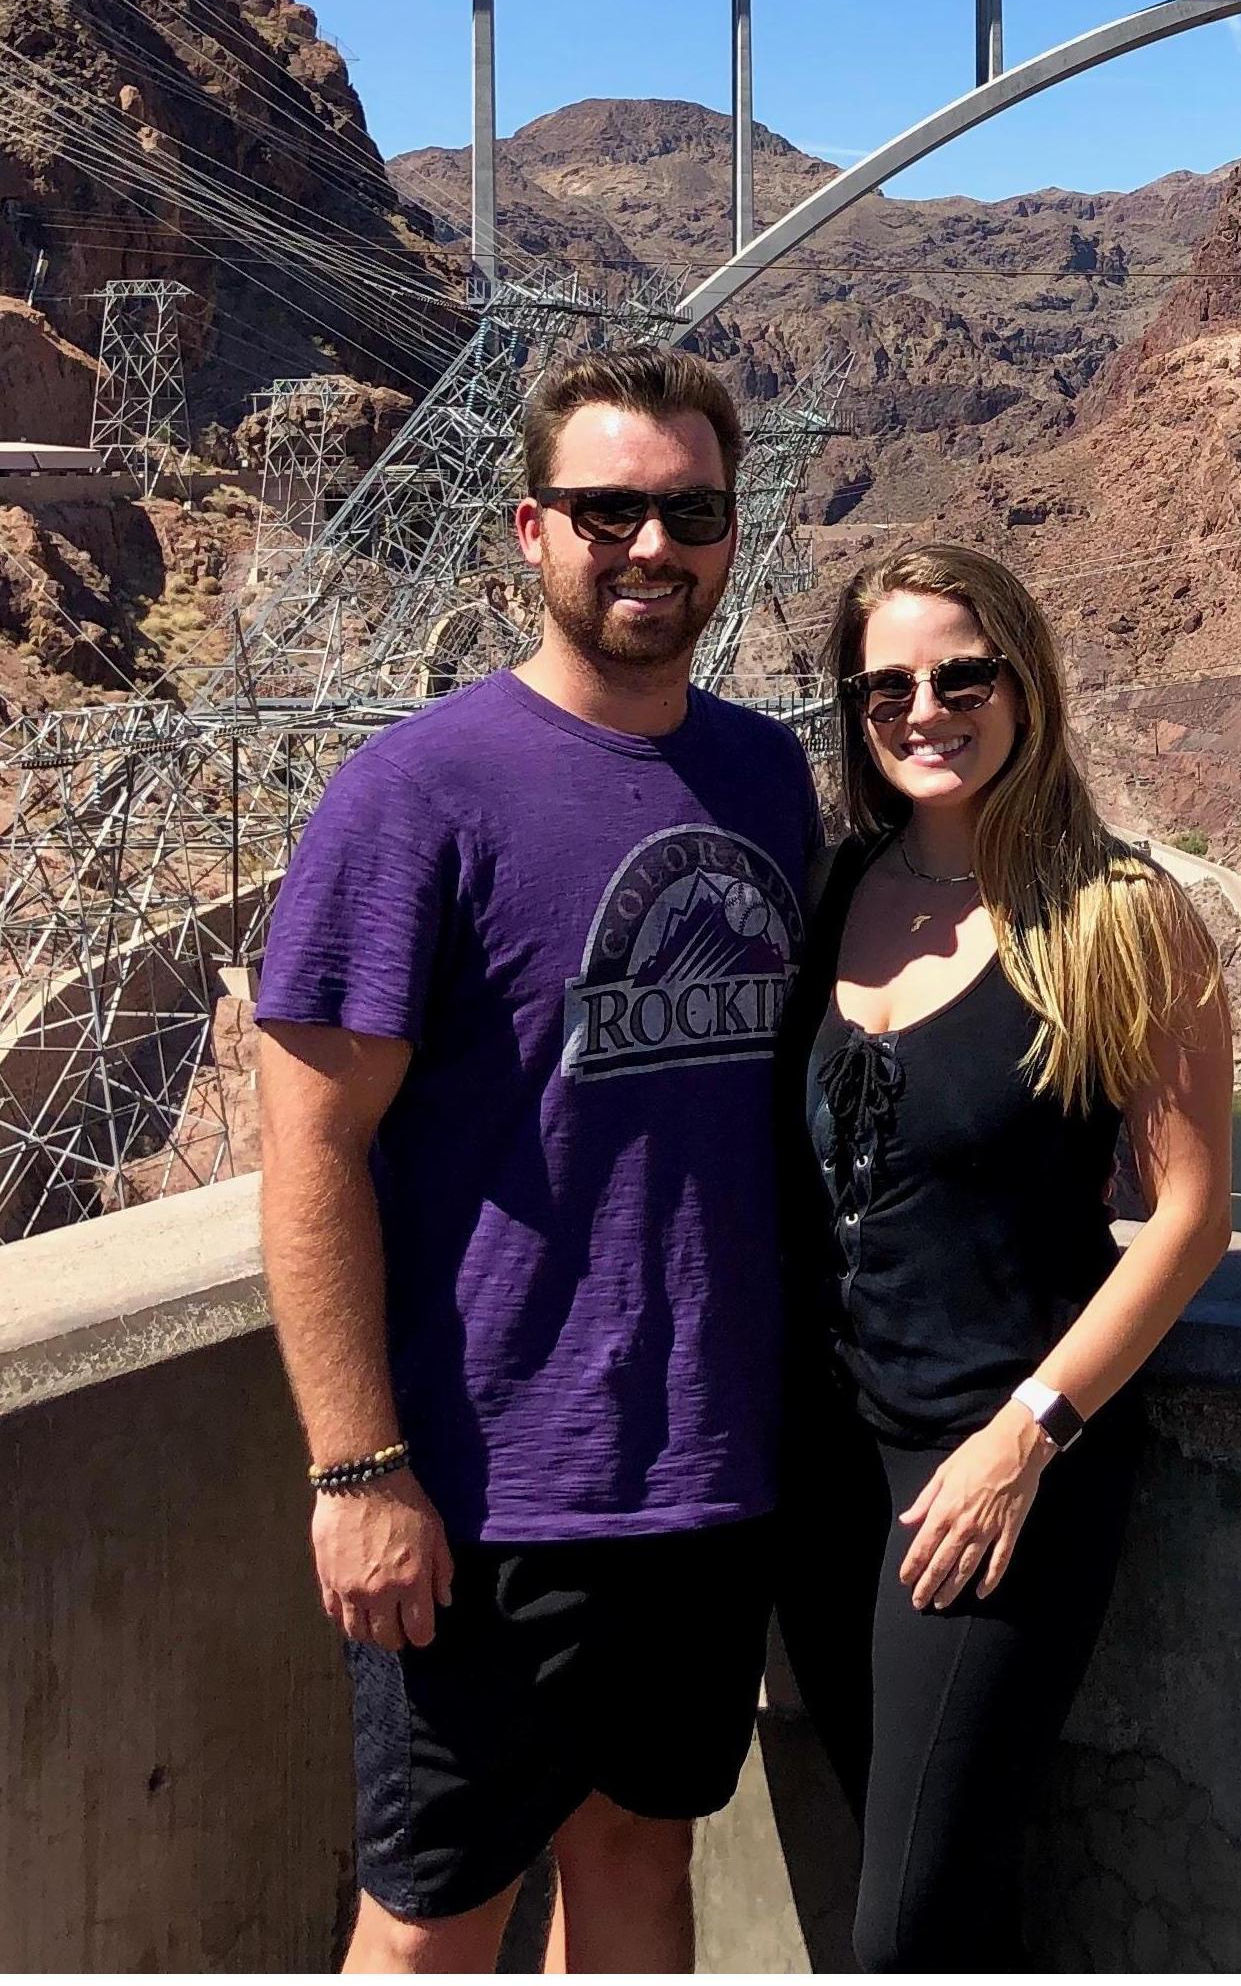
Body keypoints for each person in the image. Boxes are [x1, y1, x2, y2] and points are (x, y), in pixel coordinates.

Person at [254, 348, 818, 1974]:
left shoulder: (766, 778)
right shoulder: (416, 795)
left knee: (641, 1867)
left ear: (731, 528)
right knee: (432, 1921)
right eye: (609, 509)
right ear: (529, 529)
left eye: (691, 510)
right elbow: (312, 1146)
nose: (654, 545)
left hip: (707, 1474)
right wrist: (359, 1471)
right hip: (489, 1492)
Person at [775, 541, 1234, 1972]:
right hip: (822, 1475)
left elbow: (1188, 1216)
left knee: (904, 1933)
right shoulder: (829, 886)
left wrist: (1027, 1436)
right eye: (886, 687)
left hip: (988, 1476)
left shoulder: (1118, 918)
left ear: (1024, 682)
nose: (927, 709)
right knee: (943, 1896)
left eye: (962, 675)